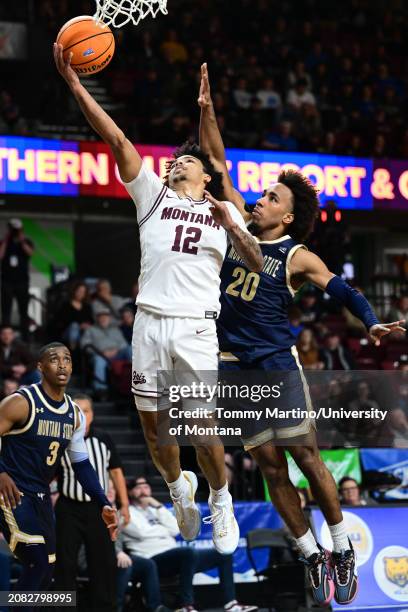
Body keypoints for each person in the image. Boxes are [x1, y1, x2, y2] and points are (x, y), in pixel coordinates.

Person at [198, 62, 405, 607]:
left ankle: (339, 545)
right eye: (263, 194)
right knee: (269, 470)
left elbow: (343, 292)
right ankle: (309, 550)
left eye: (272, 198)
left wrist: (372, 321)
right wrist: (207, 112)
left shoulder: (296, 255)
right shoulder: (239, 224)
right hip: (234, 367)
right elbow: (217, 162)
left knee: (307, 460)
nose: (261, 199)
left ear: (287, 220)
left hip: (275, 364)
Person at [54, 43, 263, 555]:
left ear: (204, 173)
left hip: (195, 326)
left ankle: (220, 500)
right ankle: (178, 491)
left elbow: (257, 261)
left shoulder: (226, 208)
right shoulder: (152, 194)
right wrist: (77, 85)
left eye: (183, 161)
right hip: (148, 324)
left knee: (202, 430)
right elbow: (116, 136)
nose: (173, 164)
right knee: (154, 434)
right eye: (172, 161)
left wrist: (230, 229)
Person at [0, 342, 117, 606]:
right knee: (38, 563)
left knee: (46, 573)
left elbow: (82, 466)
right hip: (12, 491)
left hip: (41, 497)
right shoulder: (20, 402)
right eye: (54, 359)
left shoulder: (75, 414)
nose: (62, 364)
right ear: (40, 367)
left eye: (67, 359)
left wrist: (103, 502)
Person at [116, 477, 257, 612]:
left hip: (175, 556)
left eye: (146, 487)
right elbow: (142, 533)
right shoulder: (125, 513)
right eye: (138, 487)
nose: (143, 491)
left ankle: (231, 604)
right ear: (129, 492)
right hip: (152, 560)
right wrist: (163, 530)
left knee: (223, 554)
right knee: (187, 553)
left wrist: (158, 506)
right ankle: (186, 605)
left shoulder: (156, 509)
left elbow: (175, 529)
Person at [54, 393, 129, 612]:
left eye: (85, 410)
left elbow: (116, 471)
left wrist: (124, 504)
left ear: (93, 414)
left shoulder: (103, 439)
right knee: (64, 565)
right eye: (77, 410)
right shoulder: (60, 439)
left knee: (103, 564)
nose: (82, 415)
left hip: (99, 510)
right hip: (68, 507)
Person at [80, 310, 132, 396]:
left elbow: (124, 344)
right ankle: (101, 390)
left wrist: (115, 351)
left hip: (117, 354)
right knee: (98, 360)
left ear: (109, 318)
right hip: (100, 355)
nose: (103, 318)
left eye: (106, 316)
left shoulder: (115, 330)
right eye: (101, 316)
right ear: (97, 318)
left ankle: (135, 381)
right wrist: (100, 353)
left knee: (129, 349)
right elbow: (84, 345)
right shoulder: (90, 329)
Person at [0, 219, 34, 338]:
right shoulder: (4, 242)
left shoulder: (26, 241)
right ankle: (5, 335)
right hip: (6, 281)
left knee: (23, 311)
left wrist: (22, 240)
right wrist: (6, 239)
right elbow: (1, 255)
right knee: (6, 310)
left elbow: (30, 253)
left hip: (22, 282)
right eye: (12, 229)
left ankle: (25, 336)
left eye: (16, 230)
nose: (14, 232)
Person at [56, 280, 93, 350]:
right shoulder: (66, 305)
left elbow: (91, 320)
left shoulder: (87, 307)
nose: (81, 294)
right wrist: (80, 325)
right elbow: (62, 321)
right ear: (74, 291)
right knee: (74, 326)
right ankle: (73, 350)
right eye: (79, 291)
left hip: (84, 333)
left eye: (83, 292)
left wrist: (87, 325)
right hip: (68, 333)